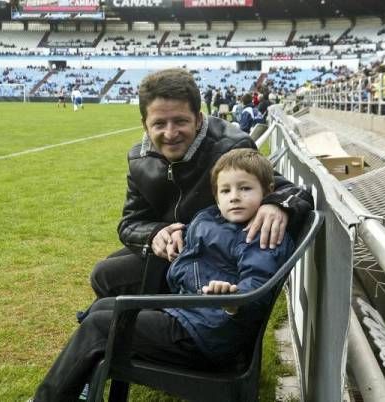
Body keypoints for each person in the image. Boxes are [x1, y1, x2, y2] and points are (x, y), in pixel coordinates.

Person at [31, 148, 303, 401]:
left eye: (245, 188)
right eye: (225, 190)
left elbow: (256, 286)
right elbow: (194, 240)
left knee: (99, 326)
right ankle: (83, 384)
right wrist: (176, 240)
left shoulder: (261, 235)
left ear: (268, 192)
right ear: (216, 195)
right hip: (188, 314)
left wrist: (233, 302)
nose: (234, 197)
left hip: (206, 335)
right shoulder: (211, 218)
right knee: (103, 307)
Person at [86, 68, 312, 309]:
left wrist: (276, 204)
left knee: (106, 276)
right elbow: (130, 224)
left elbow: (289, 190)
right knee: (106, 274)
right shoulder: (139, 159)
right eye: (159, 123)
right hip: (172, 253)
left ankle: (135, 331)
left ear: (199, 118)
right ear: (145, 124)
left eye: (180, 121)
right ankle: (126, 334)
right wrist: (155, 235)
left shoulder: (230, 148)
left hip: (212, 261)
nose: (170, 133)